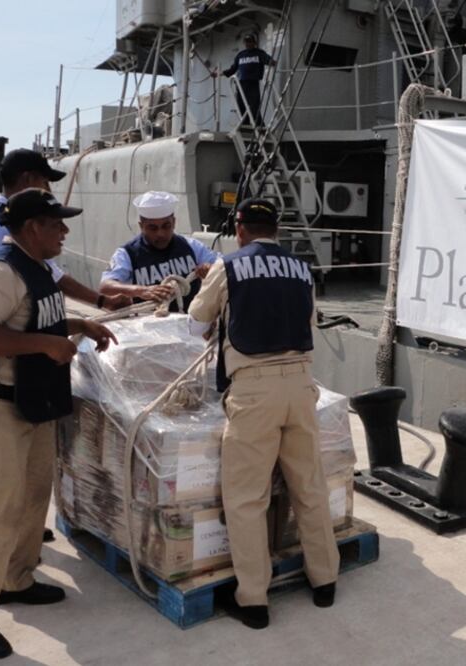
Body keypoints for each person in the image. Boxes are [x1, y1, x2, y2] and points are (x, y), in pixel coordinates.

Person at [0, 188, 117, 659]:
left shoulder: (37, 270)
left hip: (32, 403)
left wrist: (78, 326)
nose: (64, 231)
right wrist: (45, 346)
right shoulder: (0, 272)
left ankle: (14, 578)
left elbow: (34, 319)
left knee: (34, 494)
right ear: (32, 227)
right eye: (56, 223)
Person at [187, 198, 338, 630]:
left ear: (240, 229)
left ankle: (253, 600)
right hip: (300, 385)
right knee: (309, 485)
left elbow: (197, 324)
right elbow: (307, 322)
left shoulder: (229, 266)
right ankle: (324, 579)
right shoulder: (301, 269)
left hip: (253, 391)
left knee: (246, 497)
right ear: (277, 228)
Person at [0, 149, 130, 312]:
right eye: (46, 182)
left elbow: (54, 275)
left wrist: (102, 301)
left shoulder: (15, 223)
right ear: (28, 179)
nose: (49, 190)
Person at [99, 190, 217, 313]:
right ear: (141, 226)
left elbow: (222, 267)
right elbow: (105, 286)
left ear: (174, 222)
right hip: (147, 326)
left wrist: (210, 268)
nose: (160, 234)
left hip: (187, 323)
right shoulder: (127, 253)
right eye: (152, 228)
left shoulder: (192, 247)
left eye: (166, 226)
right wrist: (141, 291)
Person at [214, 33, 276, 127]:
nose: (248, 44)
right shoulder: (240, 55)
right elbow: (232, 70)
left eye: (250, 42)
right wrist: (218, 74)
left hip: (253, 83)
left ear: (254, 43)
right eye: (246, 42)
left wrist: (272, 62)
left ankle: (259, 126)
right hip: (241, 84)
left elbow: (268, 60)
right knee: (241, 106)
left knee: (254, 106)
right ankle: (245, 125)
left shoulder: (259, 53)